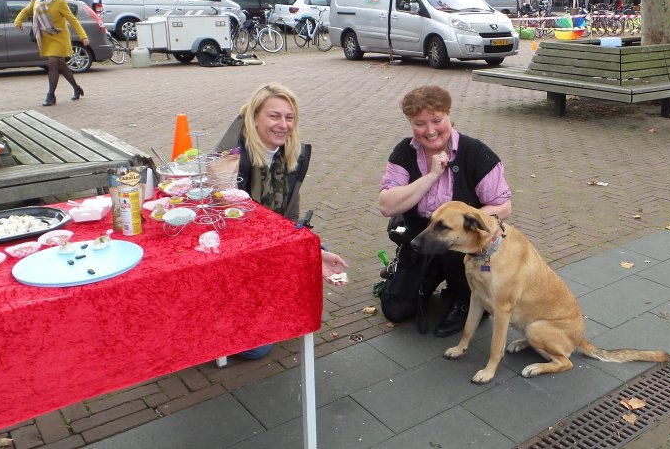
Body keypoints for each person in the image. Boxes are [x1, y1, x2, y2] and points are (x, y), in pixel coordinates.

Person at [218, 83, 349, 359]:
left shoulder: (292, 154)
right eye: (274, 116)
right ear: (254, 117)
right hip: (234, 253)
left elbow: (290, 219)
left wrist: (315, 253)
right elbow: (229, 230)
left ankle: (271, 296)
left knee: (275, 330)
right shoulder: (229, 158)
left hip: (270, 245)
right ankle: (222, 308)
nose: (283, 125)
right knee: (257, 350)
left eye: (289, 117)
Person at [379, 85, 512, 337]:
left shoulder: (475, 153)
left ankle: (465, 299)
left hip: (462, 247)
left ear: (448, 115)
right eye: (420, 123)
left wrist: (467, 225)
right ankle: (431, 274)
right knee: (395, 309)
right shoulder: (404, 153)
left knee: (456, 255)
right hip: (421, 241)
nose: (430, 131)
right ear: (411, 123)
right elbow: (387, 205)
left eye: (437, 121)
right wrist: (431, 176)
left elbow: (503, 205)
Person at [14, 0, 90, 107]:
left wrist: (83, 36)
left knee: (52, 63)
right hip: (45, 37)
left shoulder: (59, 2)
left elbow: (73, 20)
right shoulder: (35, 0)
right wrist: (18, 21)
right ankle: (76, 88)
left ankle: (51, 95)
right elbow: (26, 11)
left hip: (59, 37)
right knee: (61, 66)